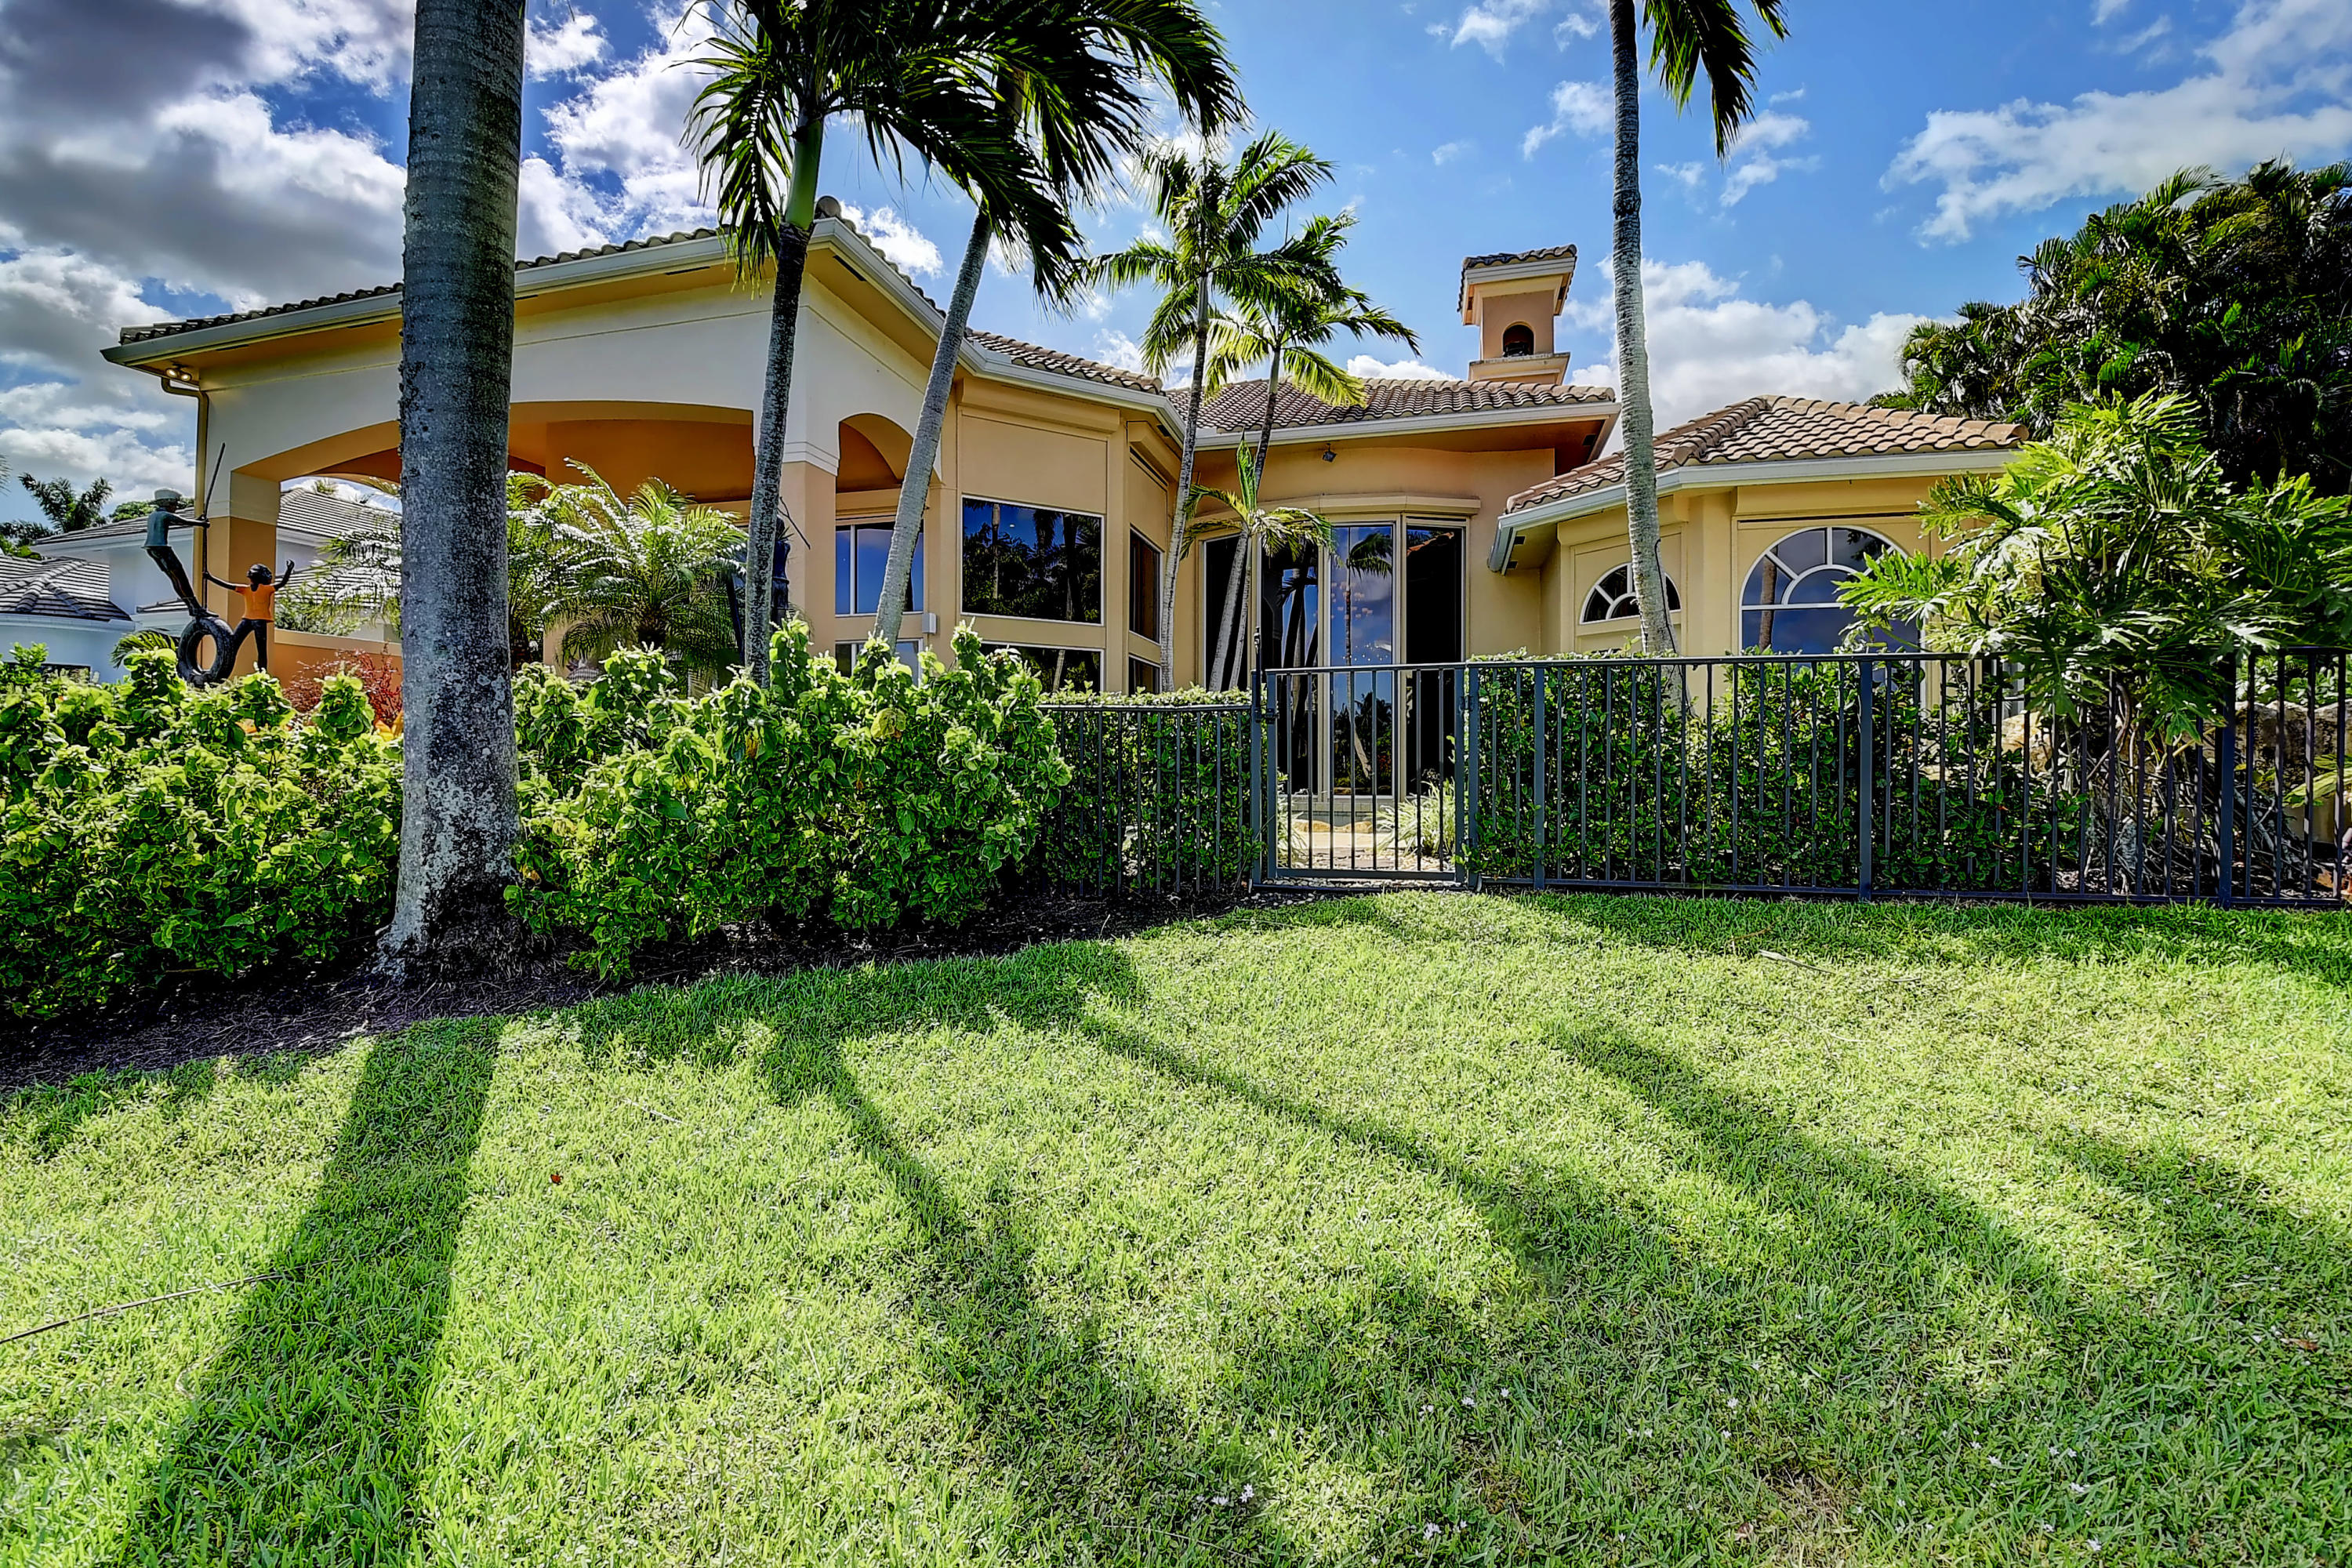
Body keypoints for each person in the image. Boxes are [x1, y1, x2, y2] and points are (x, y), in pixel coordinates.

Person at [205, 559, 296, 671]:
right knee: (236, 645)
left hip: (257, 621)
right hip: (249, 620)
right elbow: (227, 585)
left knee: (256, 649)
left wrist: (289, 570)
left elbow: (282, 583)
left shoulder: (263, 589)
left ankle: (262, 673)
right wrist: (210, 578)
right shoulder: (249, 589)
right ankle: (225, 667)